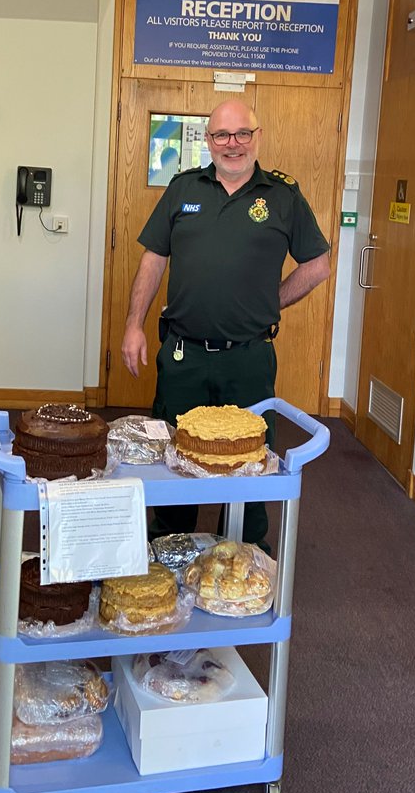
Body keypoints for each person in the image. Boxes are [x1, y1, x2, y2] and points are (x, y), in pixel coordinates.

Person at [121, 98, 330, 547]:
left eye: (242, 134)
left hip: (248, 359)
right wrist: (133, 325)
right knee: (174, 455)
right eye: (221, 135)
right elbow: (154, 259)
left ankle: (241, 554)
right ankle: (169, 546)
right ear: (208, 140)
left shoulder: (283, 195)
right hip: (184, 355)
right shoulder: (182, 189)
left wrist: (269, 303)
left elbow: (318, 265)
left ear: (257, 137)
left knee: (250, 463)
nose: (231, 144)